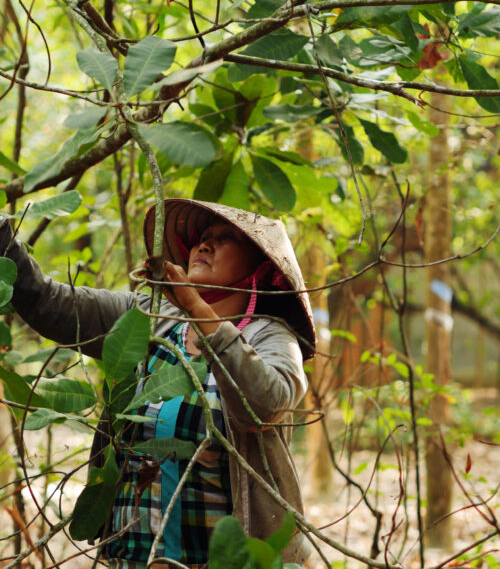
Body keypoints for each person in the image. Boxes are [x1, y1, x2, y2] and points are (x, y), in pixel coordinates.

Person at [0, 199, 316, 568]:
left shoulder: (272, 337)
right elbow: (49, 304)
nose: (204, 245)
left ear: (261, 267)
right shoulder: (152, 317)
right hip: (131, 558)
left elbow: (264, 403)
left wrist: (195, 304)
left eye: (225, 237)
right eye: (202, 238)